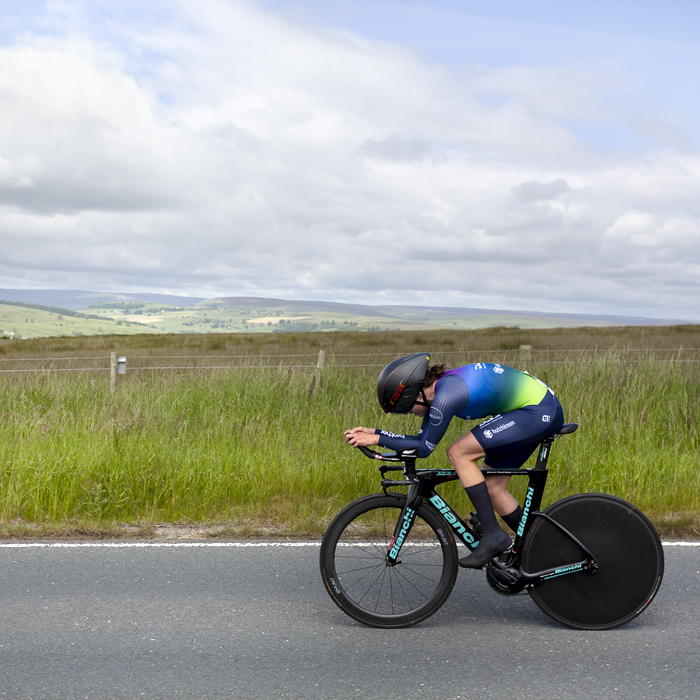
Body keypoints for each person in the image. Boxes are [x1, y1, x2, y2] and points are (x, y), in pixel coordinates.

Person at [344, 352, 565, 568]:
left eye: (407, 409)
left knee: (458, 452)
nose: (410, 414)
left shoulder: (445, 397)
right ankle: (542, 549)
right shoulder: (440, 390)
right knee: (493, 488)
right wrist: (377, 434)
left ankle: (493, 535)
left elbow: (423, 449)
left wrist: (377, 438)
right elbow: (422, 440)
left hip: (537, 412)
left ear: (417, 395)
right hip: (535, 409)